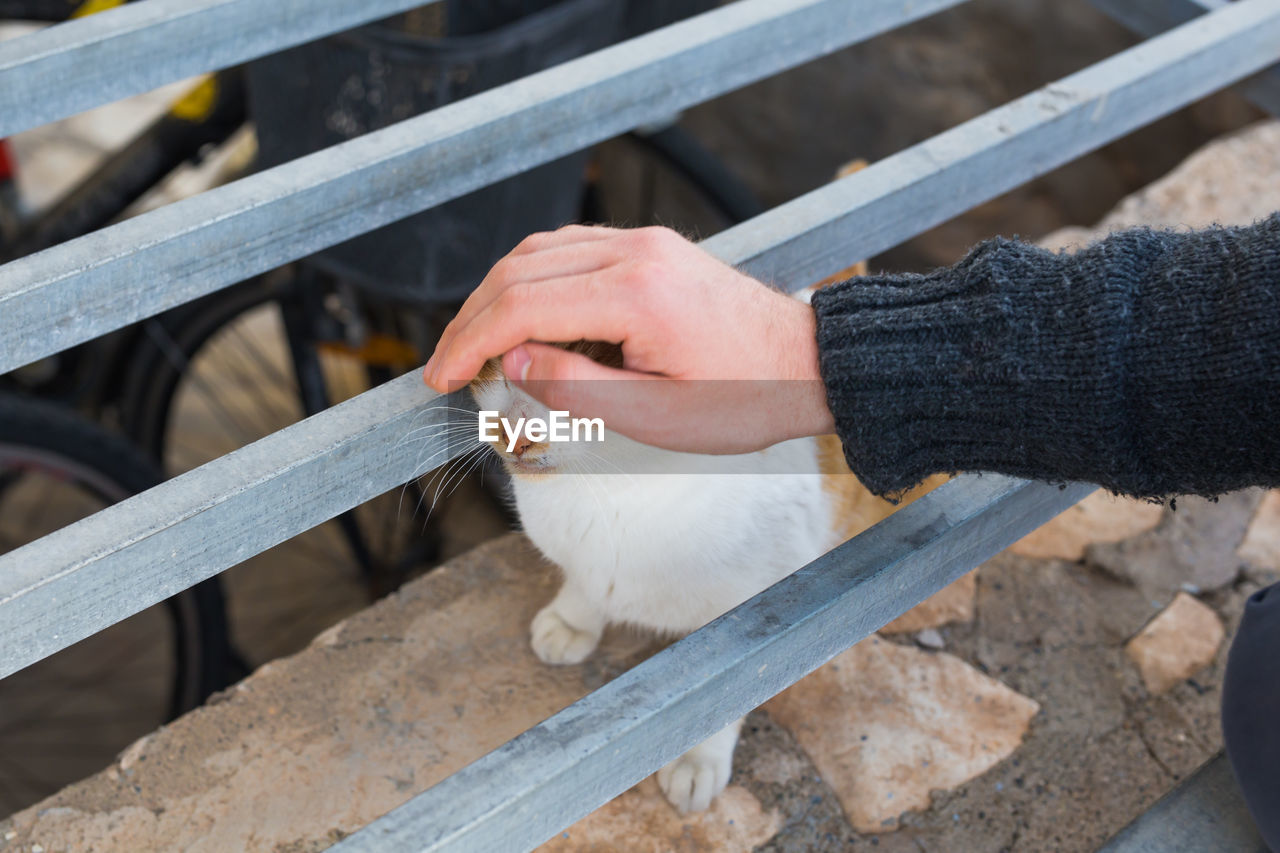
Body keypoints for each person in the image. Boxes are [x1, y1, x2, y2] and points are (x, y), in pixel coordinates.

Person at [424, 220, 1280, 846]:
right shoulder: (539, 442)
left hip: (767, 517)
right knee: (583, 558)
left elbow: (752, 602)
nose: (511, 435)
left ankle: (709, 720)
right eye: (495, 397)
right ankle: (585, 597)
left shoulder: (713, 501)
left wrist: (710, 721)